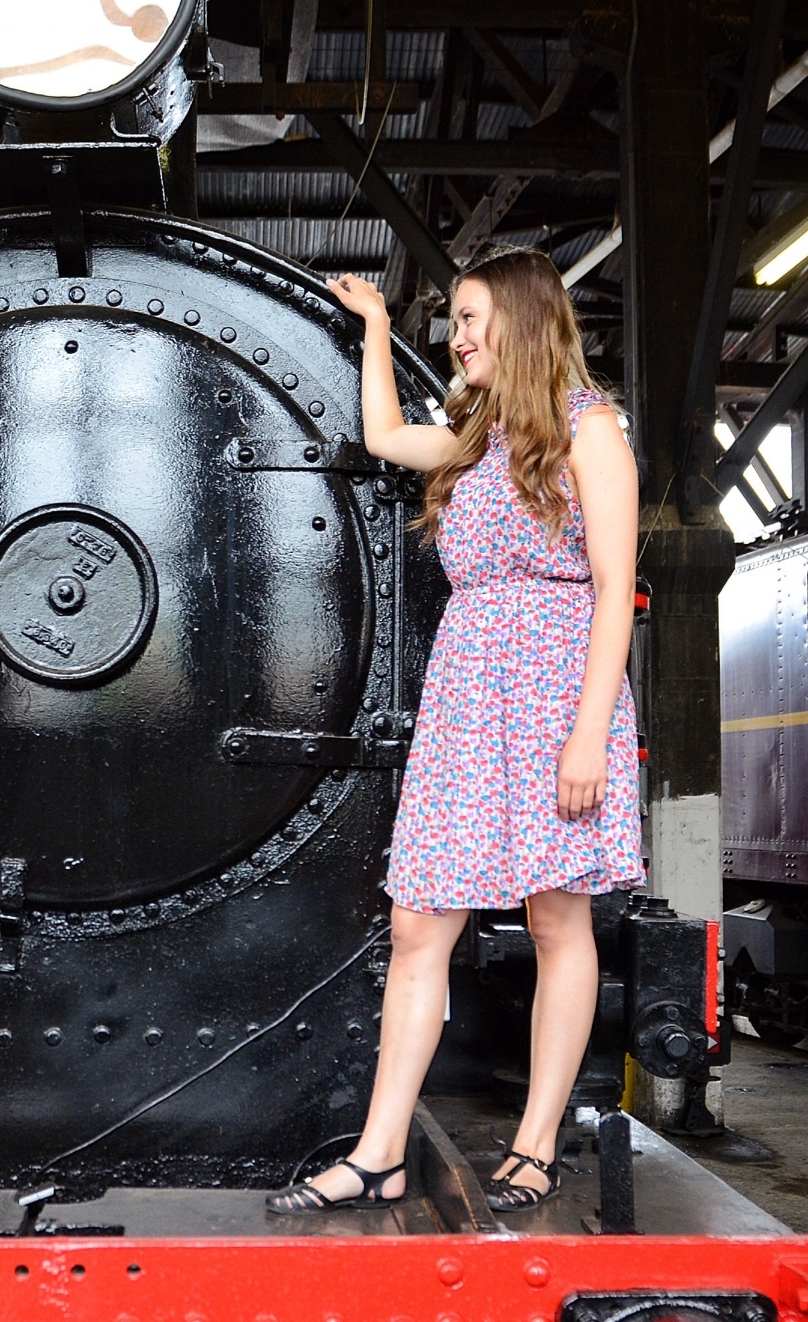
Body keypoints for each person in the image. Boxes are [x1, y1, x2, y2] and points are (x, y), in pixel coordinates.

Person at [269, 247, 643, 1217]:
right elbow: (387, 434)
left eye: (471, 319)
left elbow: (612, 596)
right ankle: (380, 1149)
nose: (461, 337)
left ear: (521, 320)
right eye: (453, 322)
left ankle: (536, 1140)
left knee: (557, 918)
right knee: (415, 919)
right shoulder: (479, 437)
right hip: (469, 692)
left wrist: (589, 736)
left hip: (560, 689)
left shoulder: (590, 431)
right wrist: (378, 331)